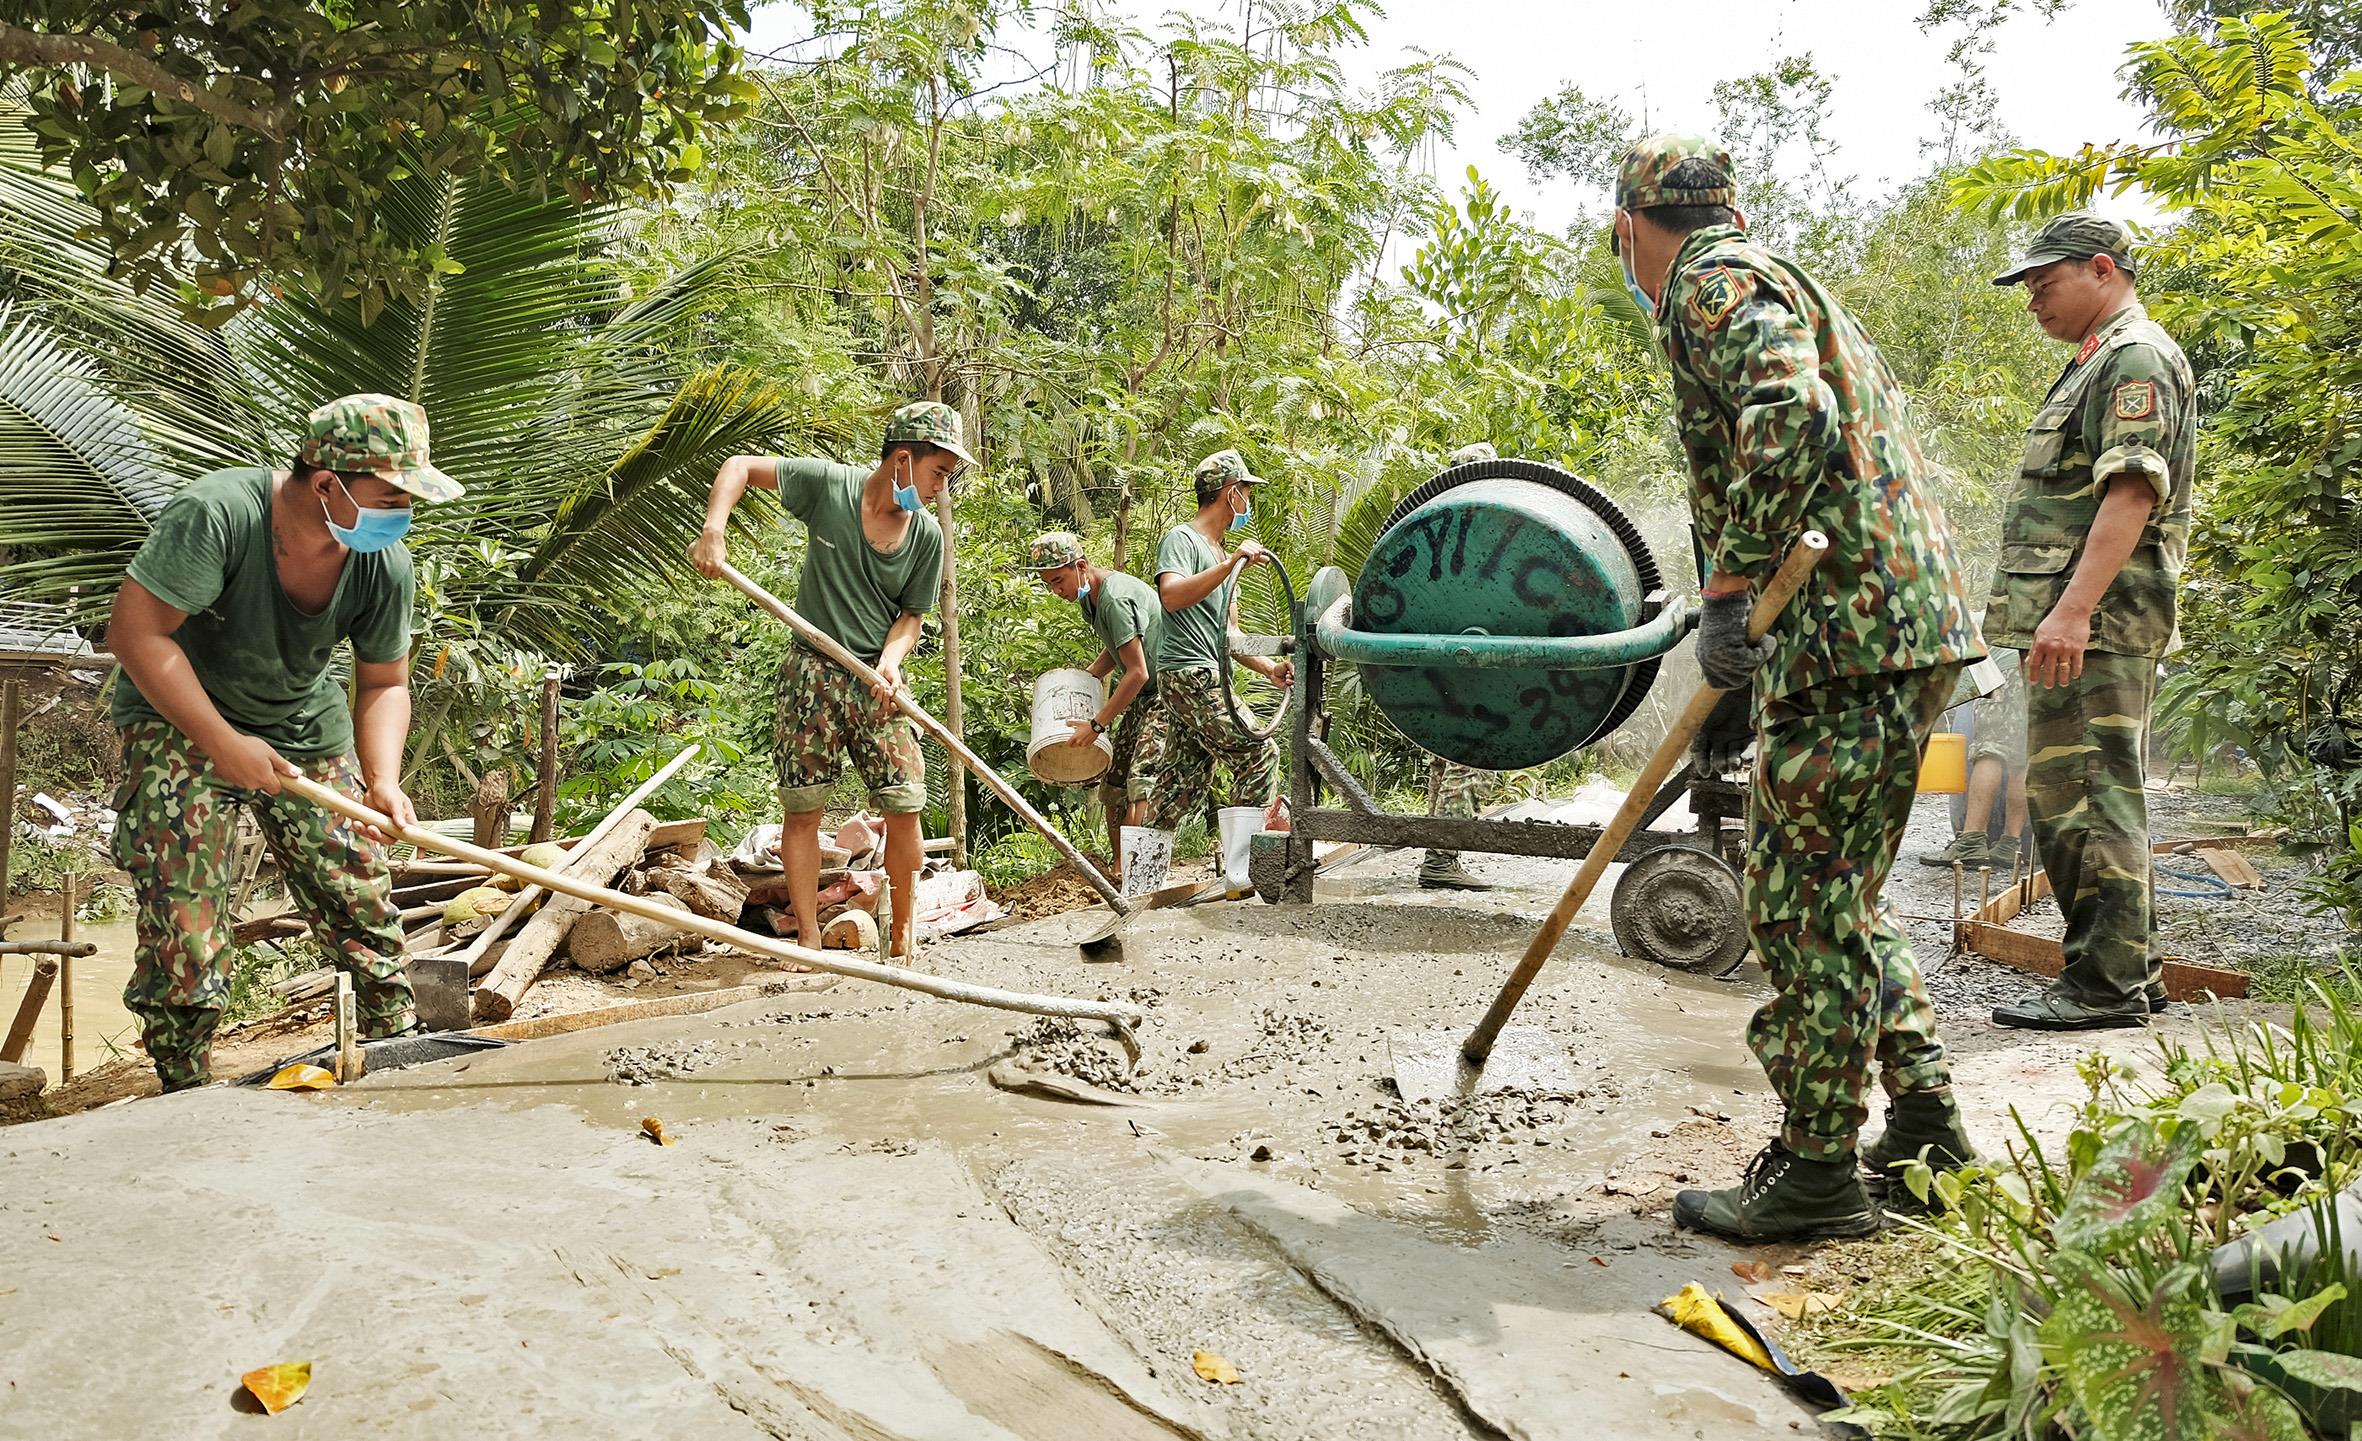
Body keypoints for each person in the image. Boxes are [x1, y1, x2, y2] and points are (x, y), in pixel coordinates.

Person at [1610, 134, 1987, 1241]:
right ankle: (1920, 1120)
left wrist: (1728, 585)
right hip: (1893, 627)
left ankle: (1814, 1165)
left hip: (1848, 633)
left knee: (1797, 900)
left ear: (1630, 225)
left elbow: (1790, 414)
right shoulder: (1773, 269)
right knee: (1846, 891)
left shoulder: (1711, 281)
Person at [105, 394, 463, 1091]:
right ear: (327, 482)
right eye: (391, 494)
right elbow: (135, 634)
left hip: (303, 722)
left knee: (356, 895)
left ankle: (393, 1055)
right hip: (181, 721)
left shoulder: (381, 561)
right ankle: (184, 1088)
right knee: (186, 926)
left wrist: (383, 779)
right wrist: (223, 741)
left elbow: (385, 681)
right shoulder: (218, 515)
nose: (404, 513)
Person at [1985, 213, 2194, 1030]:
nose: (2034, 299)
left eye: (2045, 282)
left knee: (2090, 797)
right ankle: (2127, 974)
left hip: (2098, 626)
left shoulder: (2133, 356)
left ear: (2102, 269)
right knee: (2083, 794)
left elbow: (2132, 493)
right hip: (2086, 624)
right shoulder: (2099, 360)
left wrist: (2071, 614)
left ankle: (2102, 989)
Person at [689, 401, 972, 962]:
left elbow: (911, 617)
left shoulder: (926, 538)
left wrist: (891, 662)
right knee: (803, 807)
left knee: (905, 800)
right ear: (901, 458)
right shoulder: (830, 486)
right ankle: (809, 938)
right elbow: (740, 466)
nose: (941, 486)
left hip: (876, 680)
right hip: (811, 672)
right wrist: (713, 531)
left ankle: (902, 934)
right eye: (938, 471)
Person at [1150, 450, 1293, 836]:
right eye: (1246, 491)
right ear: (1231, 493)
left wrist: (1271, 670)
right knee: (1260, 754)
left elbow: (1229, 637)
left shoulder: (1222, 555)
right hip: (1190, 674)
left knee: (1179, 783)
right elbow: (1172, 595)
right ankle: (1243, 870)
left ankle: (1141, 880)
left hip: (1207, 673)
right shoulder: (1183, 539)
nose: (1249, 501)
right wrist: (1229, 566)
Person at [1021, 531, 1168, 875]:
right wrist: (1082, 680)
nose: (1057, 591)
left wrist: (1097, 723)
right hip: (1144, 692)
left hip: (1168, 691)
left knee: (1141, 780)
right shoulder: (1091, 598)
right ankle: (1119, 868)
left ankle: (1142, 872)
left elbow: (1137, 672)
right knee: (1113, 784)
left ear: (1082, 567)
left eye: (1059, 580)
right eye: (1049, 584)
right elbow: (1116, 650)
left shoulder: (1115, 599)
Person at [1418, 441, 1507, 892]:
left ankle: (1438, 852)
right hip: (1469, 659)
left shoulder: (1433, 530)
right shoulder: (1486, 533)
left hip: (1435, 666)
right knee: (1474, 753)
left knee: (1446, 754)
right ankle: (1440, 858)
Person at [1919, 645, 2028, 873]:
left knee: (1990, 750)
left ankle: (1971, 840)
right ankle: (2010, 844)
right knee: (2021, 755)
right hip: (2037, 668)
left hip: (2004, 671)